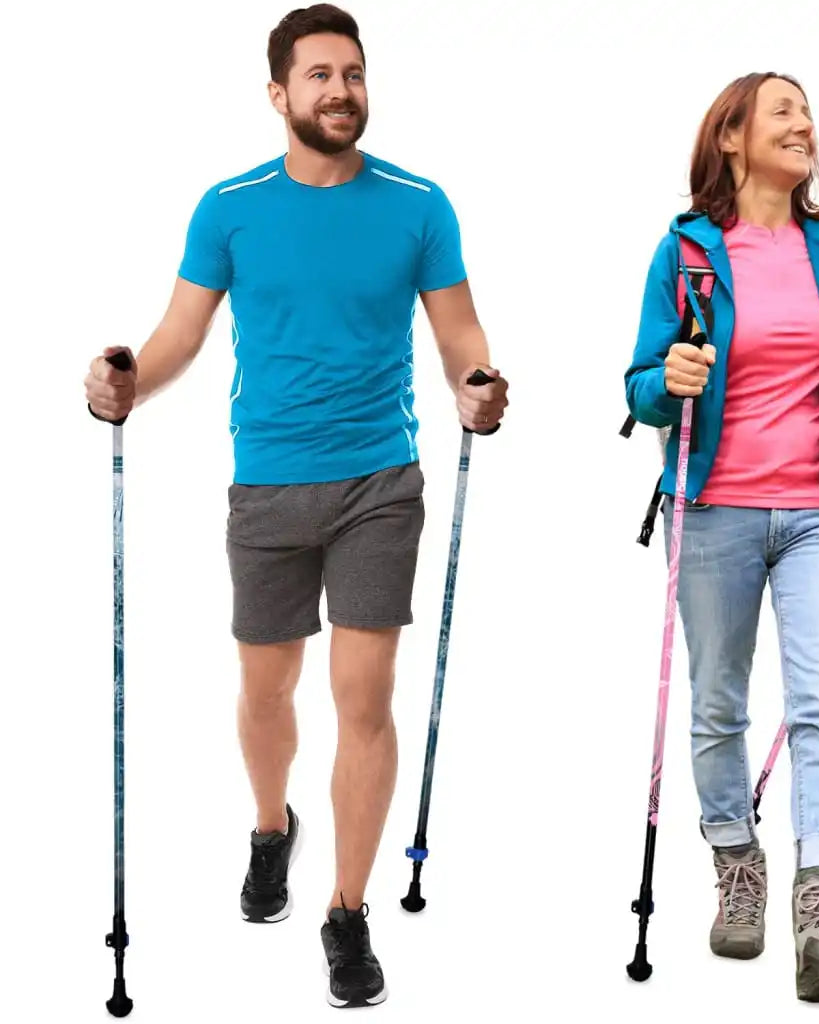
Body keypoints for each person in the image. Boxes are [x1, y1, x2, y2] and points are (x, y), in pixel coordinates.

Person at [83, 4, 508, 1009]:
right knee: (267, 690)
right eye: (318, 75)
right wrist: (124, 385)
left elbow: (460, 335)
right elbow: (179, 336)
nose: (340, 90)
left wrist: (476, 388)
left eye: (352, 73)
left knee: (363, 695)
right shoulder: (230, 207)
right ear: (279, 93)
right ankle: (271, 827)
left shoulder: (419, 204)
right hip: (268, 481)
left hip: (379, 484)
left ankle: (347, 911)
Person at [624, 72, 819, 1003]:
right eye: (783, 111)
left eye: (807, 113)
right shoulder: (686, 252)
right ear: (732, 137)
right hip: (711, 508)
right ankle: (736, 863)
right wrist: (668, 380)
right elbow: (641, 386)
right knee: (719, 705)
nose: (804, 125)